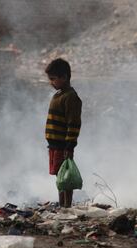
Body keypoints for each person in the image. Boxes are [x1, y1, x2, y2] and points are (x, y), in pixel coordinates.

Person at [45, 58, 82, 208]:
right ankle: (62, 205)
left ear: (64, 77)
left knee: (66, 177)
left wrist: (70, 146)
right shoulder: (59, 95)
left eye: (54, 79)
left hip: (63, 145)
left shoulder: (70, 97)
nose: (51, 82)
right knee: (60, 176)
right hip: (54, 145)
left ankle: (66, 206)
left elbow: (73, 124)